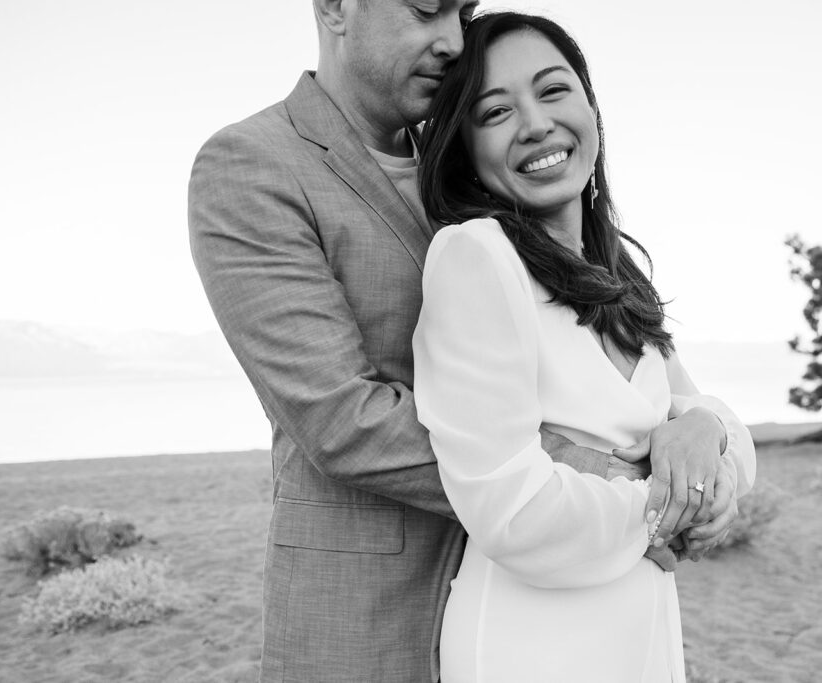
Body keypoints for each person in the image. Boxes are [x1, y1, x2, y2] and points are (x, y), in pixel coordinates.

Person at [188, 1, 752, 680]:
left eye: (463, 11)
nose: (452, 40)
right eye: (427, 10)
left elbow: (609, 359)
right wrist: (610, 468)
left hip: (556, 584)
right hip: (369, 604)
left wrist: (693, 429)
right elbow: (340, 417)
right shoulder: (252, 165)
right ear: (336, 7)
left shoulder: (480, 165)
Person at [413, 11, 756, 682]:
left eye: (553, 90)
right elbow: (511, 509)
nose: (536, 123)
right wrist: (669, 503)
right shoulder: (476, 256)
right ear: (466, 150)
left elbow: (733, 442)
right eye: (494, 111)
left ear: (591, 106)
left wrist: (703, 429)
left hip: (639, 634)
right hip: (530, 644)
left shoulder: (618, 274)